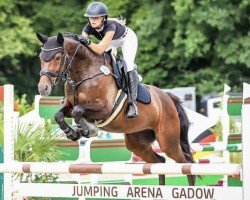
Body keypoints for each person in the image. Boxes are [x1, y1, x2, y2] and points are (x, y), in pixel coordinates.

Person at [78, 1, 139, 119]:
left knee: (129, 66)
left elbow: (100, 49)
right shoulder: (87, 27)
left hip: (126, 39)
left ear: (103, 18)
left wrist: (88, 42)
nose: (92, 20)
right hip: (111, 41)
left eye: (96, 17)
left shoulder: (111, 26)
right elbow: (83, 48)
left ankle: (133, 104)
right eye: (90, 17)